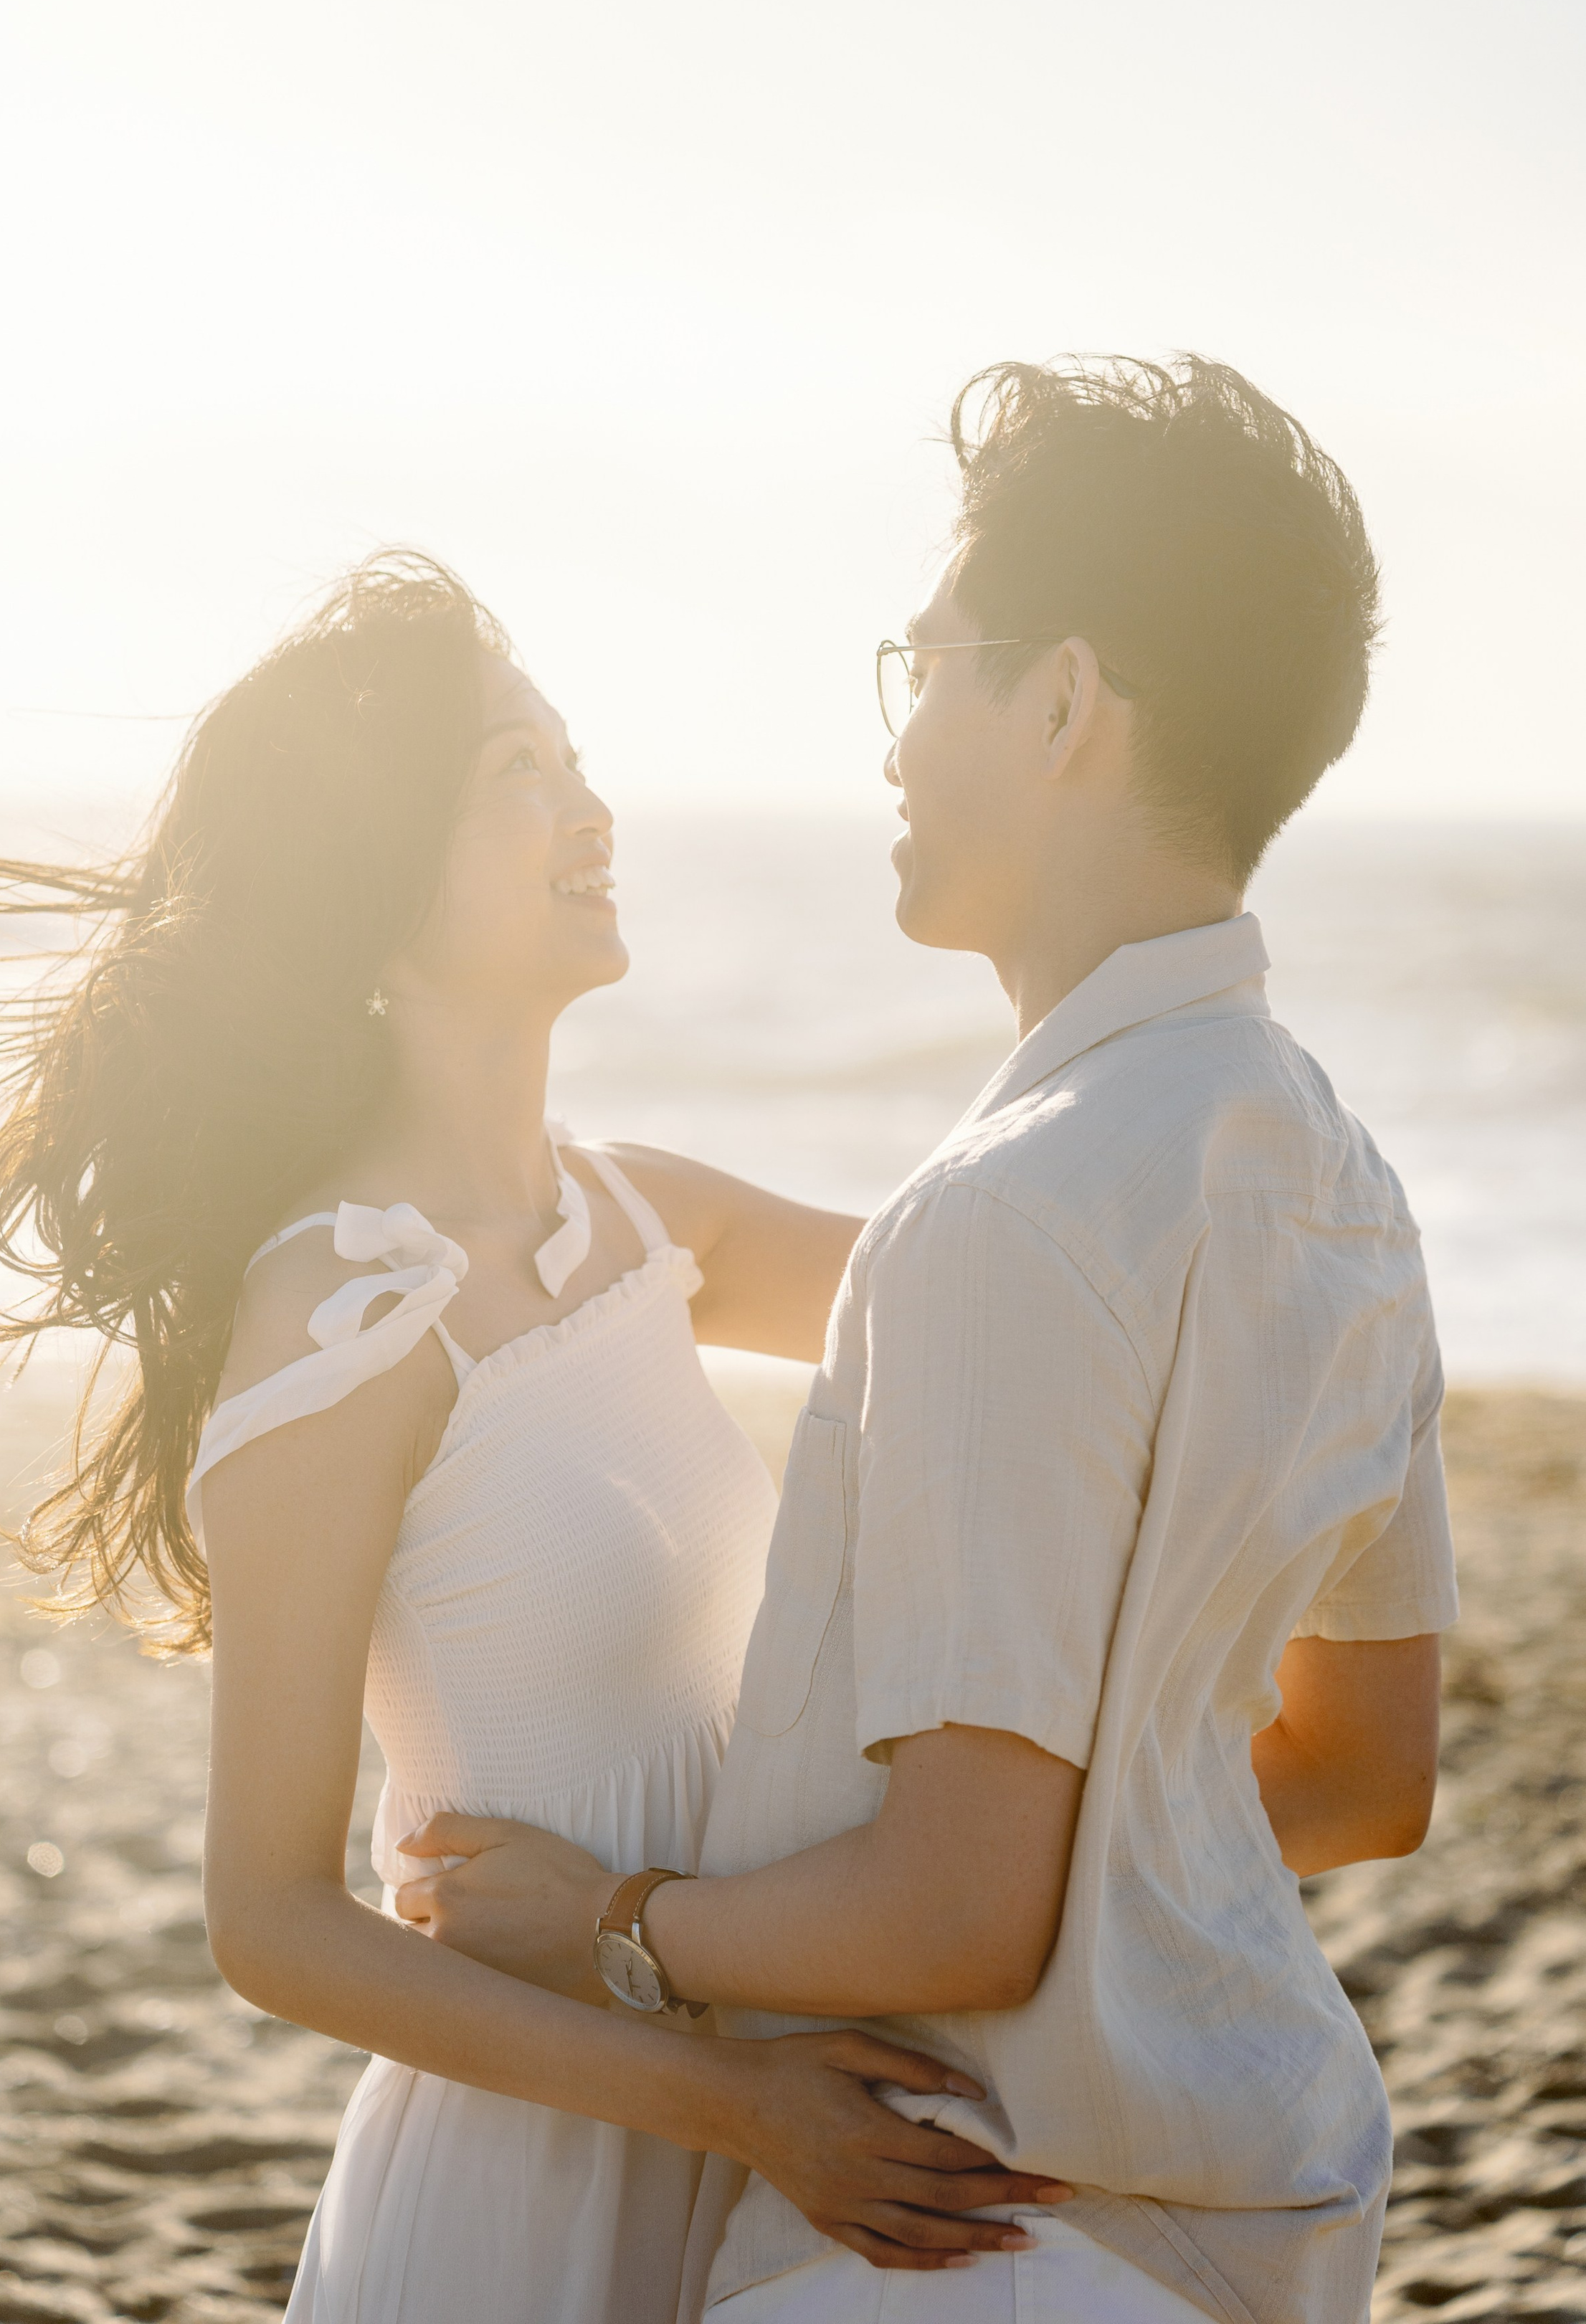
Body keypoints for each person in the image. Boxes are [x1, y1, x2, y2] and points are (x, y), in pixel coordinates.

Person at [0, 551, 1067, 2324]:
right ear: (375, 881)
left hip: (772, 2124)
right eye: (519, 773)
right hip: (543, 2178)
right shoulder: (344, 1321)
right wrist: (730, 2097)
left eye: (575, 760)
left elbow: (1018, 1329)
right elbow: (271, 1919)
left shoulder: (646, 1224)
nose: (590, 808)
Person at [405, 359, 1460, 2324]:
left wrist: (615, 1927)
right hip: (1254, 2220)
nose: (896, 742)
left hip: (975, 2238)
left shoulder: (1005, 1218)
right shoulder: (1336, 1175)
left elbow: (959, 1910)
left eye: (927, 662)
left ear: (1061, 702)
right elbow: (1365, 1771)